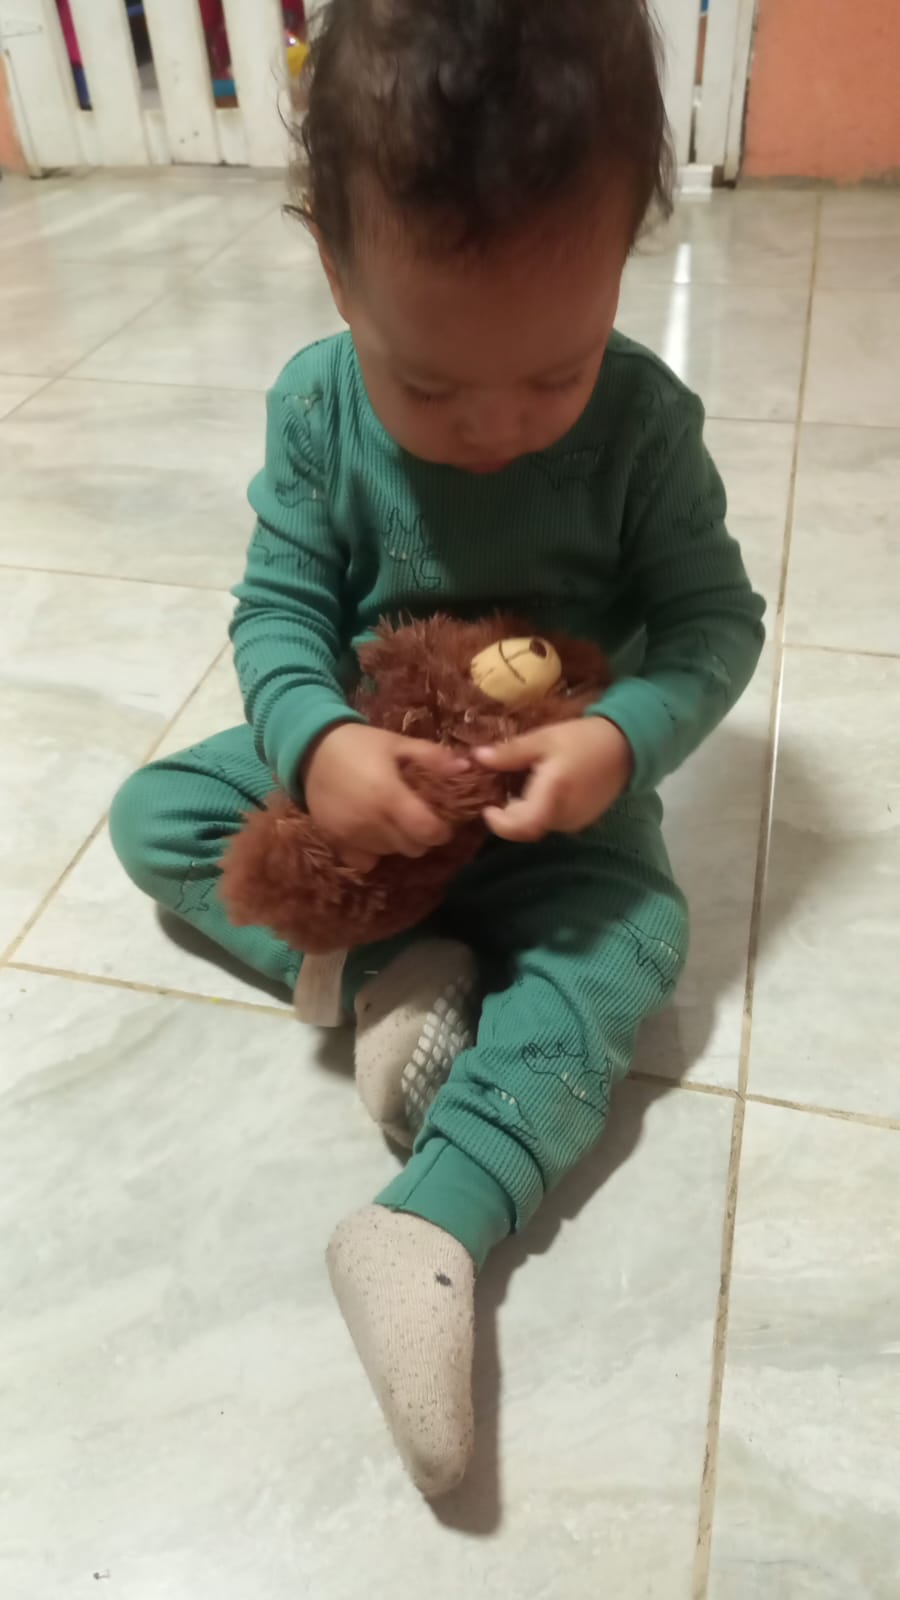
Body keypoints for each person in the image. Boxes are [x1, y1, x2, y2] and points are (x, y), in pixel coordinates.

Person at [110, 0, 765, 1498]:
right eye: (430, 385)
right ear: (337, 269)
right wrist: (318, 741)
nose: (498, 429)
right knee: (156, 815)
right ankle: (385, 973)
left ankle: (427, 1226)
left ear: (626, 261)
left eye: (555, 372)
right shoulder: (315, 409)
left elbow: (714, 622)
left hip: (553, 820)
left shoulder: (647, 429)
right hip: (369, 796)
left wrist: (620, 737)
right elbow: (278, 609)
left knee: (639, 942)